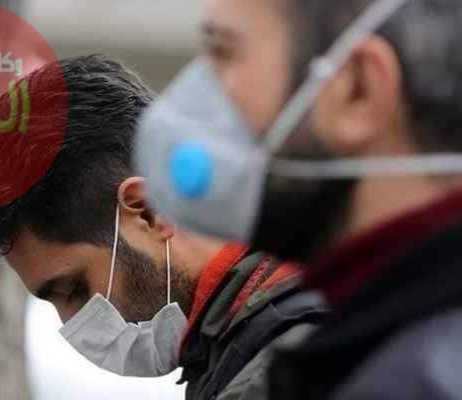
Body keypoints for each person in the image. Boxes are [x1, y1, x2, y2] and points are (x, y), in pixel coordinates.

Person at [0, 54, 326, 400]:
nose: (72, 324)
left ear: (148, 211)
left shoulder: (290, 368)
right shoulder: (238, 349)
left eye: (74, 288)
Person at [134, 0, 462, 399]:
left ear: (357, 89)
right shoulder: (387, 345)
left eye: (223, 52)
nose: (195, 93)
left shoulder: (406, 382)